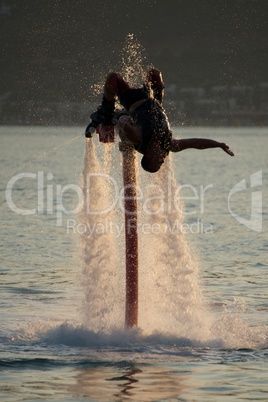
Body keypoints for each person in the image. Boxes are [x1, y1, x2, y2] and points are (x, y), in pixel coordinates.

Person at [86, 68, 234, 172]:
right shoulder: (168, 144)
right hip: (154, 100)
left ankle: (105, 112)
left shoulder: (139, 139)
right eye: (162, 162)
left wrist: (120, 119)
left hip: (133, 102)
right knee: (154, 73)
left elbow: (125, 125)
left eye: (159, 161)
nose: (163, 159)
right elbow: (195, 143)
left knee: (113, 78)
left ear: (149, 156)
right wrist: (218, 145)